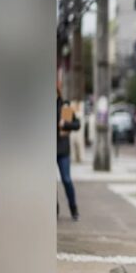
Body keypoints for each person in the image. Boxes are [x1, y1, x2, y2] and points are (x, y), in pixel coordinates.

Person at [57, 87, 81, 221]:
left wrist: (65, 123)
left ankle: (73, 208)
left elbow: (77, 124)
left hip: (62, 150)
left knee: (66, 179)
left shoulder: (65, 107)